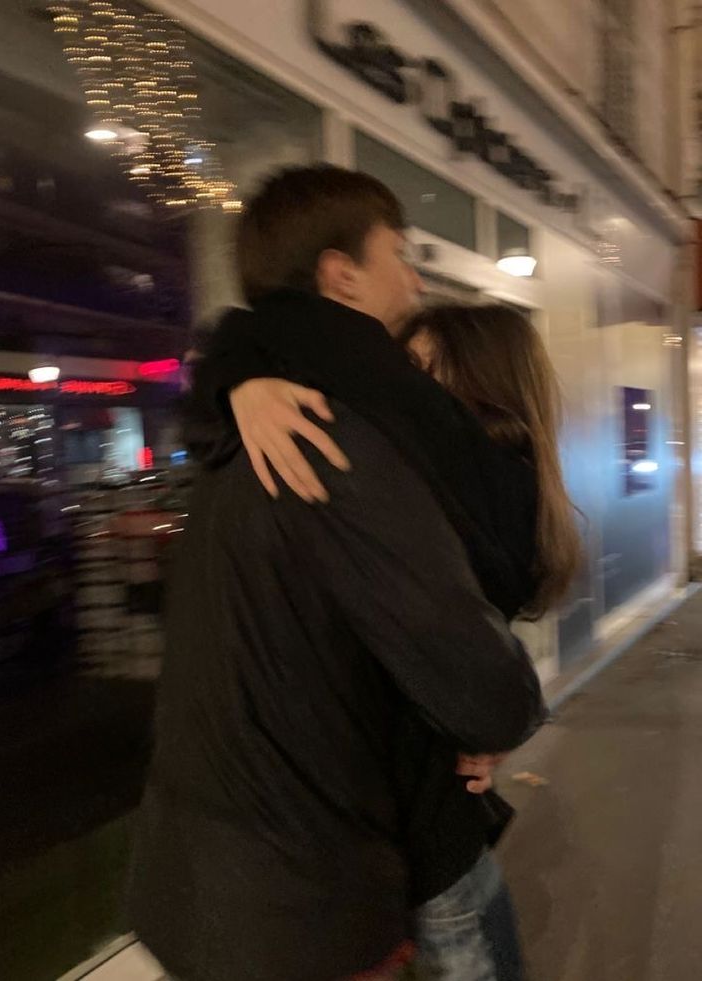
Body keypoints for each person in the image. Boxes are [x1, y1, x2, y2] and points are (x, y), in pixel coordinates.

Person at [129, 165, 547, 981]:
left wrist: (236, 378)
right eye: (399, 251)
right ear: (340, 273)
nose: (416, 276)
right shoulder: (334, 436)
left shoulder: (238, 429)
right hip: (296, 904)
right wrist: (500, 712)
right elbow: (473, 677)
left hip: (202, 878)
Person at [200, 300, 580, 981]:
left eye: (423, 369)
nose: (404, 388)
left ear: (481, 382)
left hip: (428, 851)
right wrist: (246, 382)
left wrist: (244, 380)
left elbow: (469, 672)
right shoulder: (490, 486)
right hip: (406, 843)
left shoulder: (467, 490)